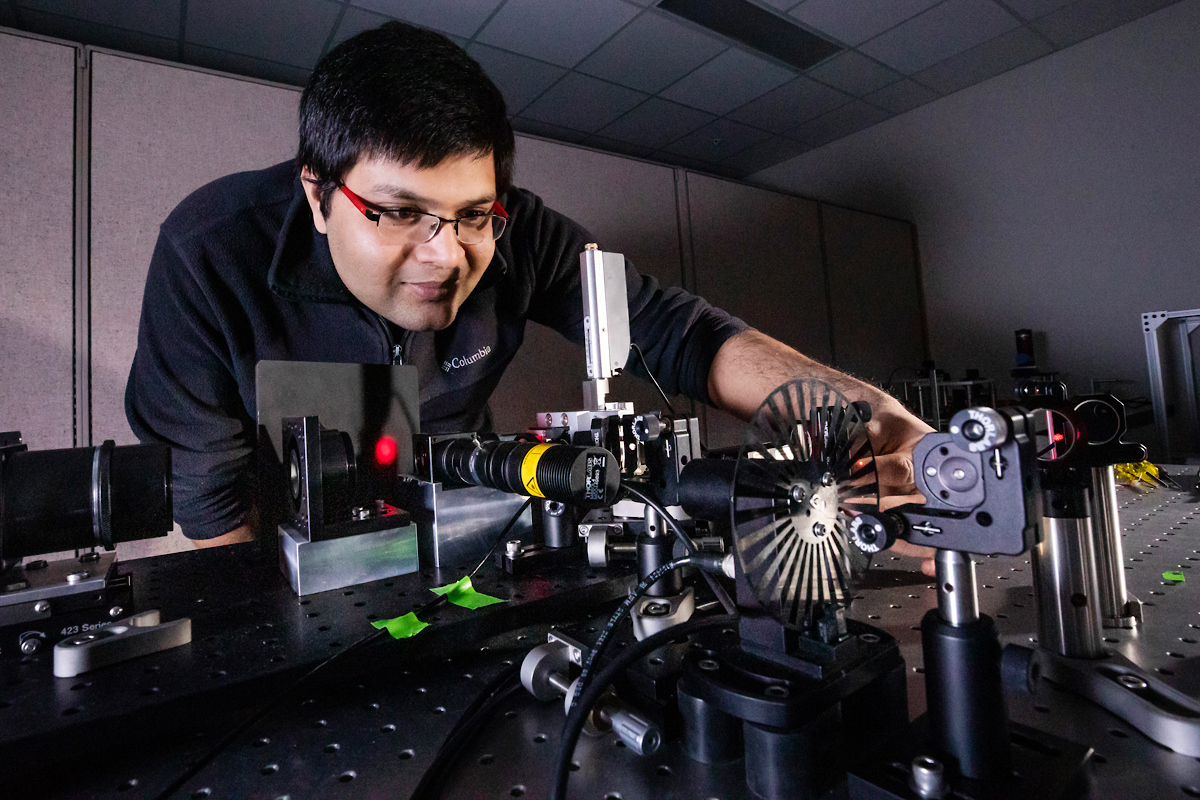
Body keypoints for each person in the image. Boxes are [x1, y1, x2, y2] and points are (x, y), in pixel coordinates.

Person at [125, 21, 934, 572]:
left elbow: (676, 332)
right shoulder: (208, 254)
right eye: (401, 213)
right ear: (317, 192)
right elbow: (209, 504)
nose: (444, 255)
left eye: (473, 215)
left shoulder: (519, 233)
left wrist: (867, 418)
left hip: (457, 528)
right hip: (275, 547)